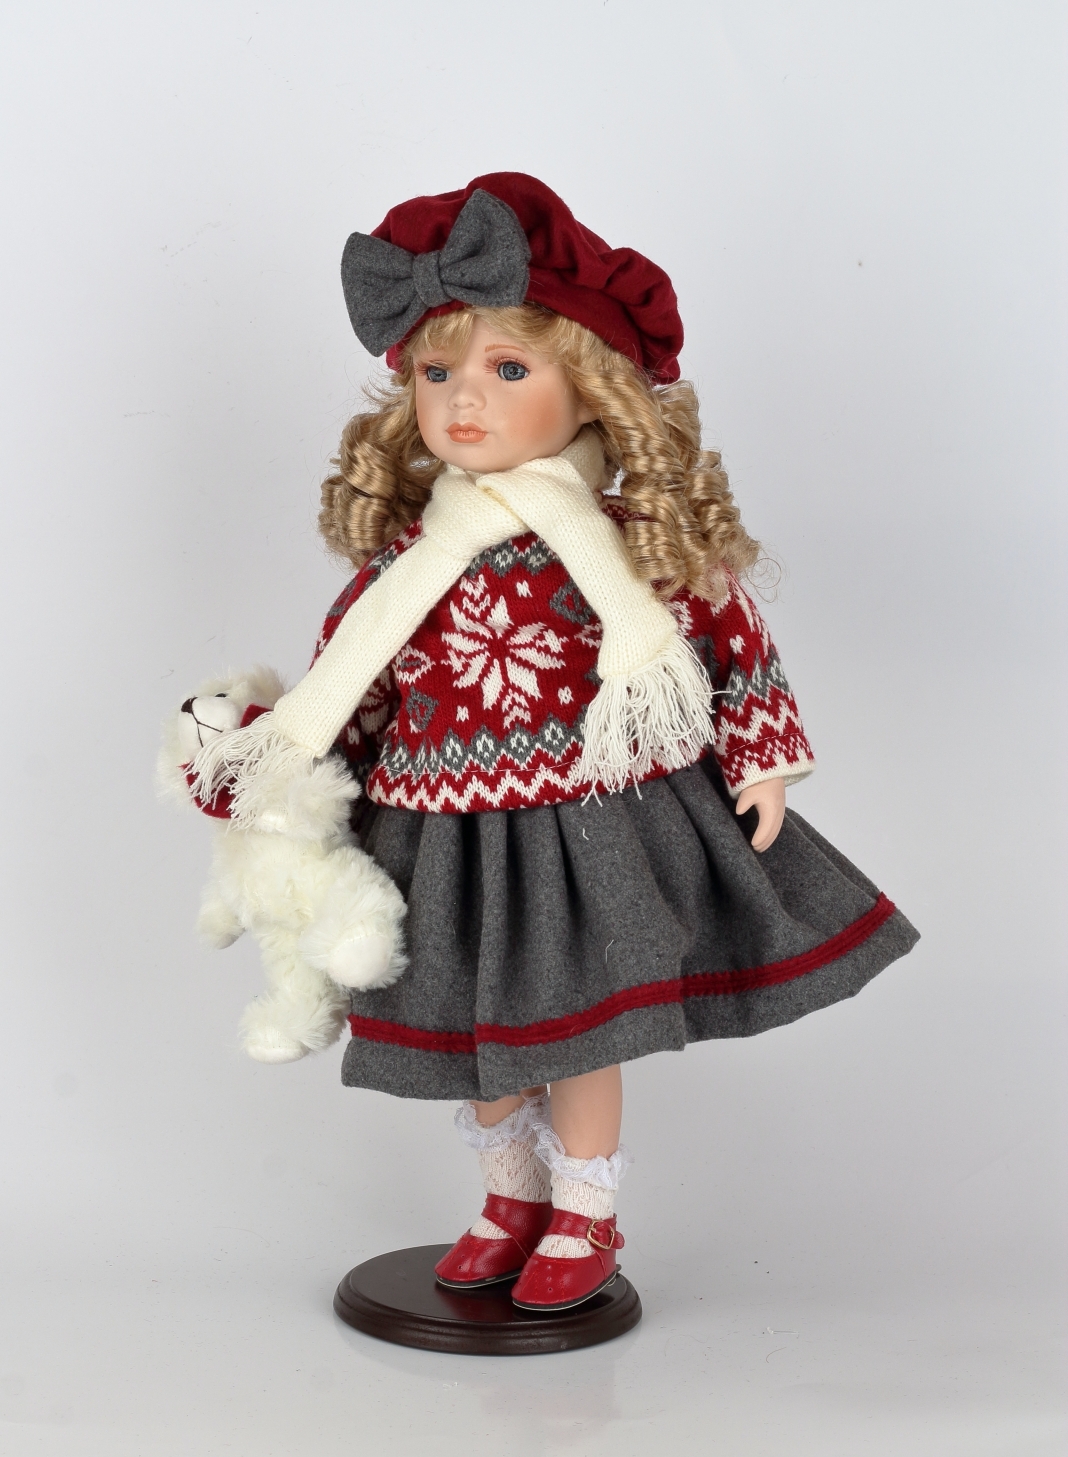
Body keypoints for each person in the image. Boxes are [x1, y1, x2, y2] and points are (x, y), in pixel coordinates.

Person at [190, 173, 918, 1313]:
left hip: (590, 828)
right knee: (474, 1031)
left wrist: (761, 754)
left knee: (576, 1031)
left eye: (508, 370)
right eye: (438, 374)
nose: (465, 402)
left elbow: (724, 630)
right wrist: (278, 761)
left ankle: (586, 1210)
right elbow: (356, 686)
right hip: (443, 827)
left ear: (592, 387)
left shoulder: (623, 545)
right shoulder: (408, 567)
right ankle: (509, 1198)